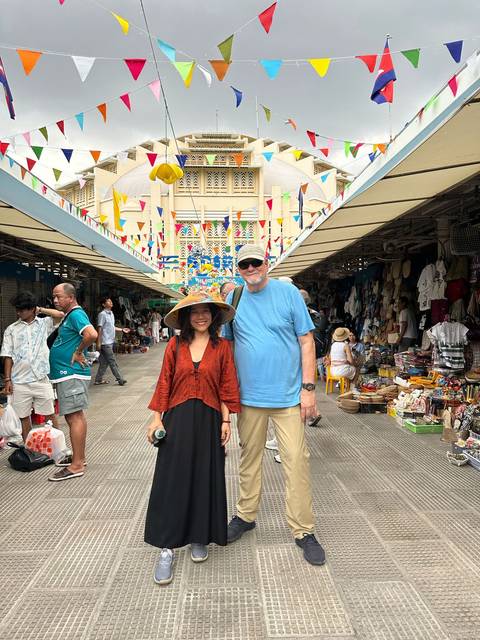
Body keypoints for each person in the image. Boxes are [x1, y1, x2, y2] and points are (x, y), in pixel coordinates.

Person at [224, 244, 325, 566]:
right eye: (244, 265)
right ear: (238, 270)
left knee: (296, 460)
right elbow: (226, 345)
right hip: (249, 398)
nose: (251, 268)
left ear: (266, 264)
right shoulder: (234, 299)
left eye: (255, 263)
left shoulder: (288, 293)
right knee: (249, 458)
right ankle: (245, 515)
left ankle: (303, 530)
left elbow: (306, 340)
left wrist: (308, 389)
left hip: (287, 397)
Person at [145, 292, 240, 585]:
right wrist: (157, 417)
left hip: (210, 418)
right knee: (172, 479)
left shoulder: (222, 347)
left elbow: (227, 384)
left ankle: (200, 536)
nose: (200, 316)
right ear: (186, 317)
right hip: (178, 417)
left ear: (213, 317)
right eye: (194, 312)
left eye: (206, 312)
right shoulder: (175, 345)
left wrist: (226, 420)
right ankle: (167, 547)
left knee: (205, 477)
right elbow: (165, 381)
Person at [48, 283, 98, 482]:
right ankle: (79, 459)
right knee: (74, 416)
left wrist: (77, 352)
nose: (55, 300)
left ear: (71, 297)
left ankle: (76, 465)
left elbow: (92, 335)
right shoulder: (69, 315)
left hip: (71, 373)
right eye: (54, 297)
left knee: (74, 416)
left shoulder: (76, 314)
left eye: (58, 296)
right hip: (67, 374)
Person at [0, 292, 64, 441]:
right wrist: (8, 380)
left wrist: (40, 309)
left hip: (40, 378)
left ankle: (58, 447)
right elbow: (7, 356)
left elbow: (60, 314)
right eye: (17, 309)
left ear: (31, 309)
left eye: (22, 309)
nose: (18, 312)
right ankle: (29, 448)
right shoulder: (11, 329)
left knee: (49, 413)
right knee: (23, 417)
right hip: (19, 380)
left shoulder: (44, 324)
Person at [94, 297, 129, 386]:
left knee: (104, 363)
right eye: (108, 301)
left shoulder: (111, 314)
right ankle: (120, 379)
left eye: (111, 301)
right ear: (104, 304)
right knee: (112, 361)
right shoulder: (102, 314)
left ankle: (98, 380)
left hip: (110, 341)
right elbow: (100, 328)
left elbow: (111, 327)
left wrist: (122, 330)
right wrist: (98, 342)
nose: (111, 302)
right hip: (105, 342)